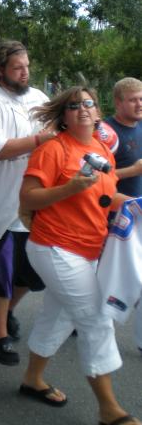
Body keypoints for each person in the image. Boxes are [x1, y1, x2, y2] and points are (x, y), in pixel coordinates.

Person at [19, 86, 141, 425]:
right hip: (54, 246)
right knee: (95, 320)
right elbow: (28, 198)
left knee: (58, 317)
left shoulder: (103, 149)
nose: (83, 109)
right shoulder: (54, 150)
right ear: (64, 117)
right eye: (74, 106)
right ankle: (109, 410)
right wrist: (70, 187)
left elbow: (109, 194)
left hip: (87, 248)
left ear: (98, 112)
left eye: (88, 103)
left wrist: (133, 205)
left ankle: (32, 379)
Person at [0, 40, 54, 366]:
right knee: (0, 274)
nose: (25, 72)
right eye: (18, 67)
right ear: (1, 69)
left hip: (33, 205)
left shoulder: (37, 98)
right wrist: (38, 140)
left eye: (27, 66)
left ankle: (4, 309)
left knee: (34, 275)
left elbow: (57, 127)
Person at [105, 77, 142, 352]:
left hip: (139, 214)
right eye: (133, 99)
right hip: (112, 216)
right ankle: (86, 318)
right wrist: (131, 171)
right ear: (118, 102)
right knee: (106, 275)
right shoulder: (107, 133)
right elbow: (95, 178)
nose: (139, 104)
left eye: (141, 98)